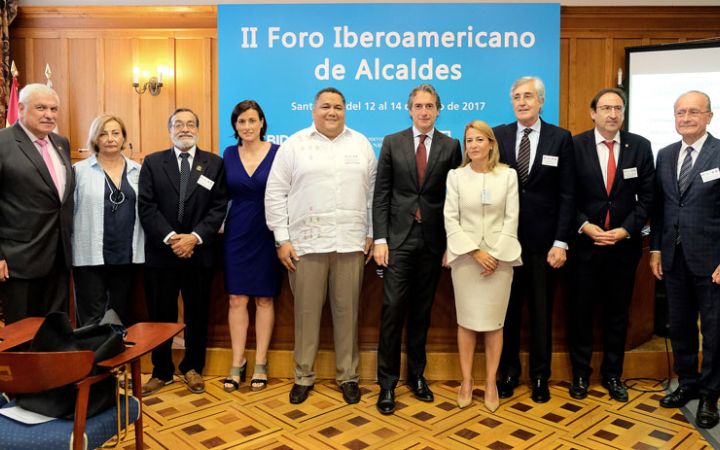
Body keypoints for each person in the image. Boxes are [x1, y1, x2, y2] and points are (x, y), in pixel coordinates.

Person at [265, 87, 376, 405]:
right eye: (325, 106)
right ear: (313, 110)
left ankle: (348, 376)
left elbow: (371, 195)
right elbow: (275, 194)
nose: (332, 112)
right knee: (306, 314)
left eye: (338, 107)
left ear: (346, 110)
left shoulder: (361, 144)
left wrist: (370, 231)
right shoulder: (294, 146)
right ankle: (303, 376)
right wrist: (282, 239)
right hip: (305, 245)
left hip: (350, 243)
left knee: (347, 313)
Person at [373, 84, 462, 415]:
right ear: (408, 109)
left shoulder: (451, 146)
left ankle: (417, 376)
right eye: (418, 106)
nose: (424, 111)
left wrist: (451, 244)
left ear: (439, 109)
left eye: (430, 106)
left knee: (423, 313)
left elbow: (455, 199)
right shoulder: (392, 142)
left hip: (433, 242)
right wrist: (380, 239)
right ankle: (387, 384)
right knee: (392, 310)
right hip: (398, 241)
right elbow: (381, 194)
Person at [568, 88, 654, 403]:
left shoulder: (640, 147)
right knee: (580, 312)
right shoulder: (574, 145)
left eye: (618, 108)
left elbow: (647, 197)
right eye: (605, 108)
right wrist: (584, 225)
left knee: (618, 313)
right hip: (584, 245)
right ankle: (580, 374)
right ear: (593, 113)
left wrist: (625, 230)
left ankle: (612, 375)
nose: (612, 114)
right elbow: (567, 195)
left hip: (622, 247)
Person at [494, 76, 575, 403]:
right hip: (506, 244)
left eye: (528, 96)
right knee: (508, 312)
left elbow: (568, 194)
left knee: (541, 313)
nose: (522, 102)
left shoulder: (560, 138)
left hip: (545, 245)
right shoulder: (499, 135)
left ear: (541, 101)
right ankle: (508, 372)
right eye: (517, 97)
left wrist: (561, 242)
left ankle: (541, 376)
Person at [138, 108, 227, 395]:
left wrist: (195, 238)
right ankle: (161, 370)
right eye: (178, 124)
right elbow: (146, 207)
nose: (184, 129)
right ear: (170, 130)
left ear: (198, 129)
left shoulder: (214, 164)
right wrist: (173, 238)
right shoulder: (152, 163)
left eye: (190, 124)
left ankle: (193, 368)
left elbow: (218, 207)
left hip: (199, 253)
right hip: (162, 254)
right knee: (159, 315)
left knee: (197, 314)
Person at [650, 90, 720, 429]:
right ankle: (688, 383)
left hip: (712, 262)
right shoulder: (665, 155)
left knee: (715, 330)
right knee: (679, 326)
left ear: (709, 116)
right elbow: (662, 208)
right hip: (674, 258)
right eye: (680, 112)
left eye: (694, 112)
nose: (686, 118)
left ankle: (710, 394)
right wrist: (656, 250)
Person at [444, 120, 521, 412]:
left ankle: (490, 382)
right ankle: (466, 380)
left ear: (491, 143)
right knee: (466, 323)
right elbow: (451, 218)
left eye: (479, 139)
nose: (474, 145)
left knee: (494, 325)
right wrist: (475, 252)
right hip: (466, 260)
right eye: (469, 141)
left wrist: (496, 254)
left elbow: (512, 218)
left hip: (501, 261)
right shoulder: (456, 176)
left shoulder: (508, 176)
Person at [0, 83, 74, 324]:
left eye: (54, 109)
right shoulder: (4, 143)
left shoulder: (61, 142)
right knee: (22, 335)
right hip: (19, 260)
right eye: (41, 108)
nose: (49, 115)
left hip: (59, 257)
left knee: (54, 332)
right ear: (20, 109)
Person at [222, 100, 280, 392]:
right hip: (236, 231)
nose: (247, 126)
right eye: (241, 121)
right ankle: (237, 362)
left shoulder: (278, 153)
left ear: (262, 123)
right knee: (236, 299)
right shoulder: (228, 154)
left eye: (252, 121)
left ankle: (260, 362)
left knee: (264, 299)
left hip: (268, 231)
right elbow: (220, 196)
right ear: (235, 126)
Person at [72, 114, 144, 326]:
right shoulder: (79, 171)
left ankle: (117, 358)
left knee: (120, 315)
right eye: (103, 134)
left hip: (126, 254)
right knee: (91, 318)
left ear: (123, 138)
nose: (110, 138)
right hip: (89, 255)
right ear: (95, 139)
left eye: (115, 133)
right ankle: (91, 359)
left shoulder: (138, 171)